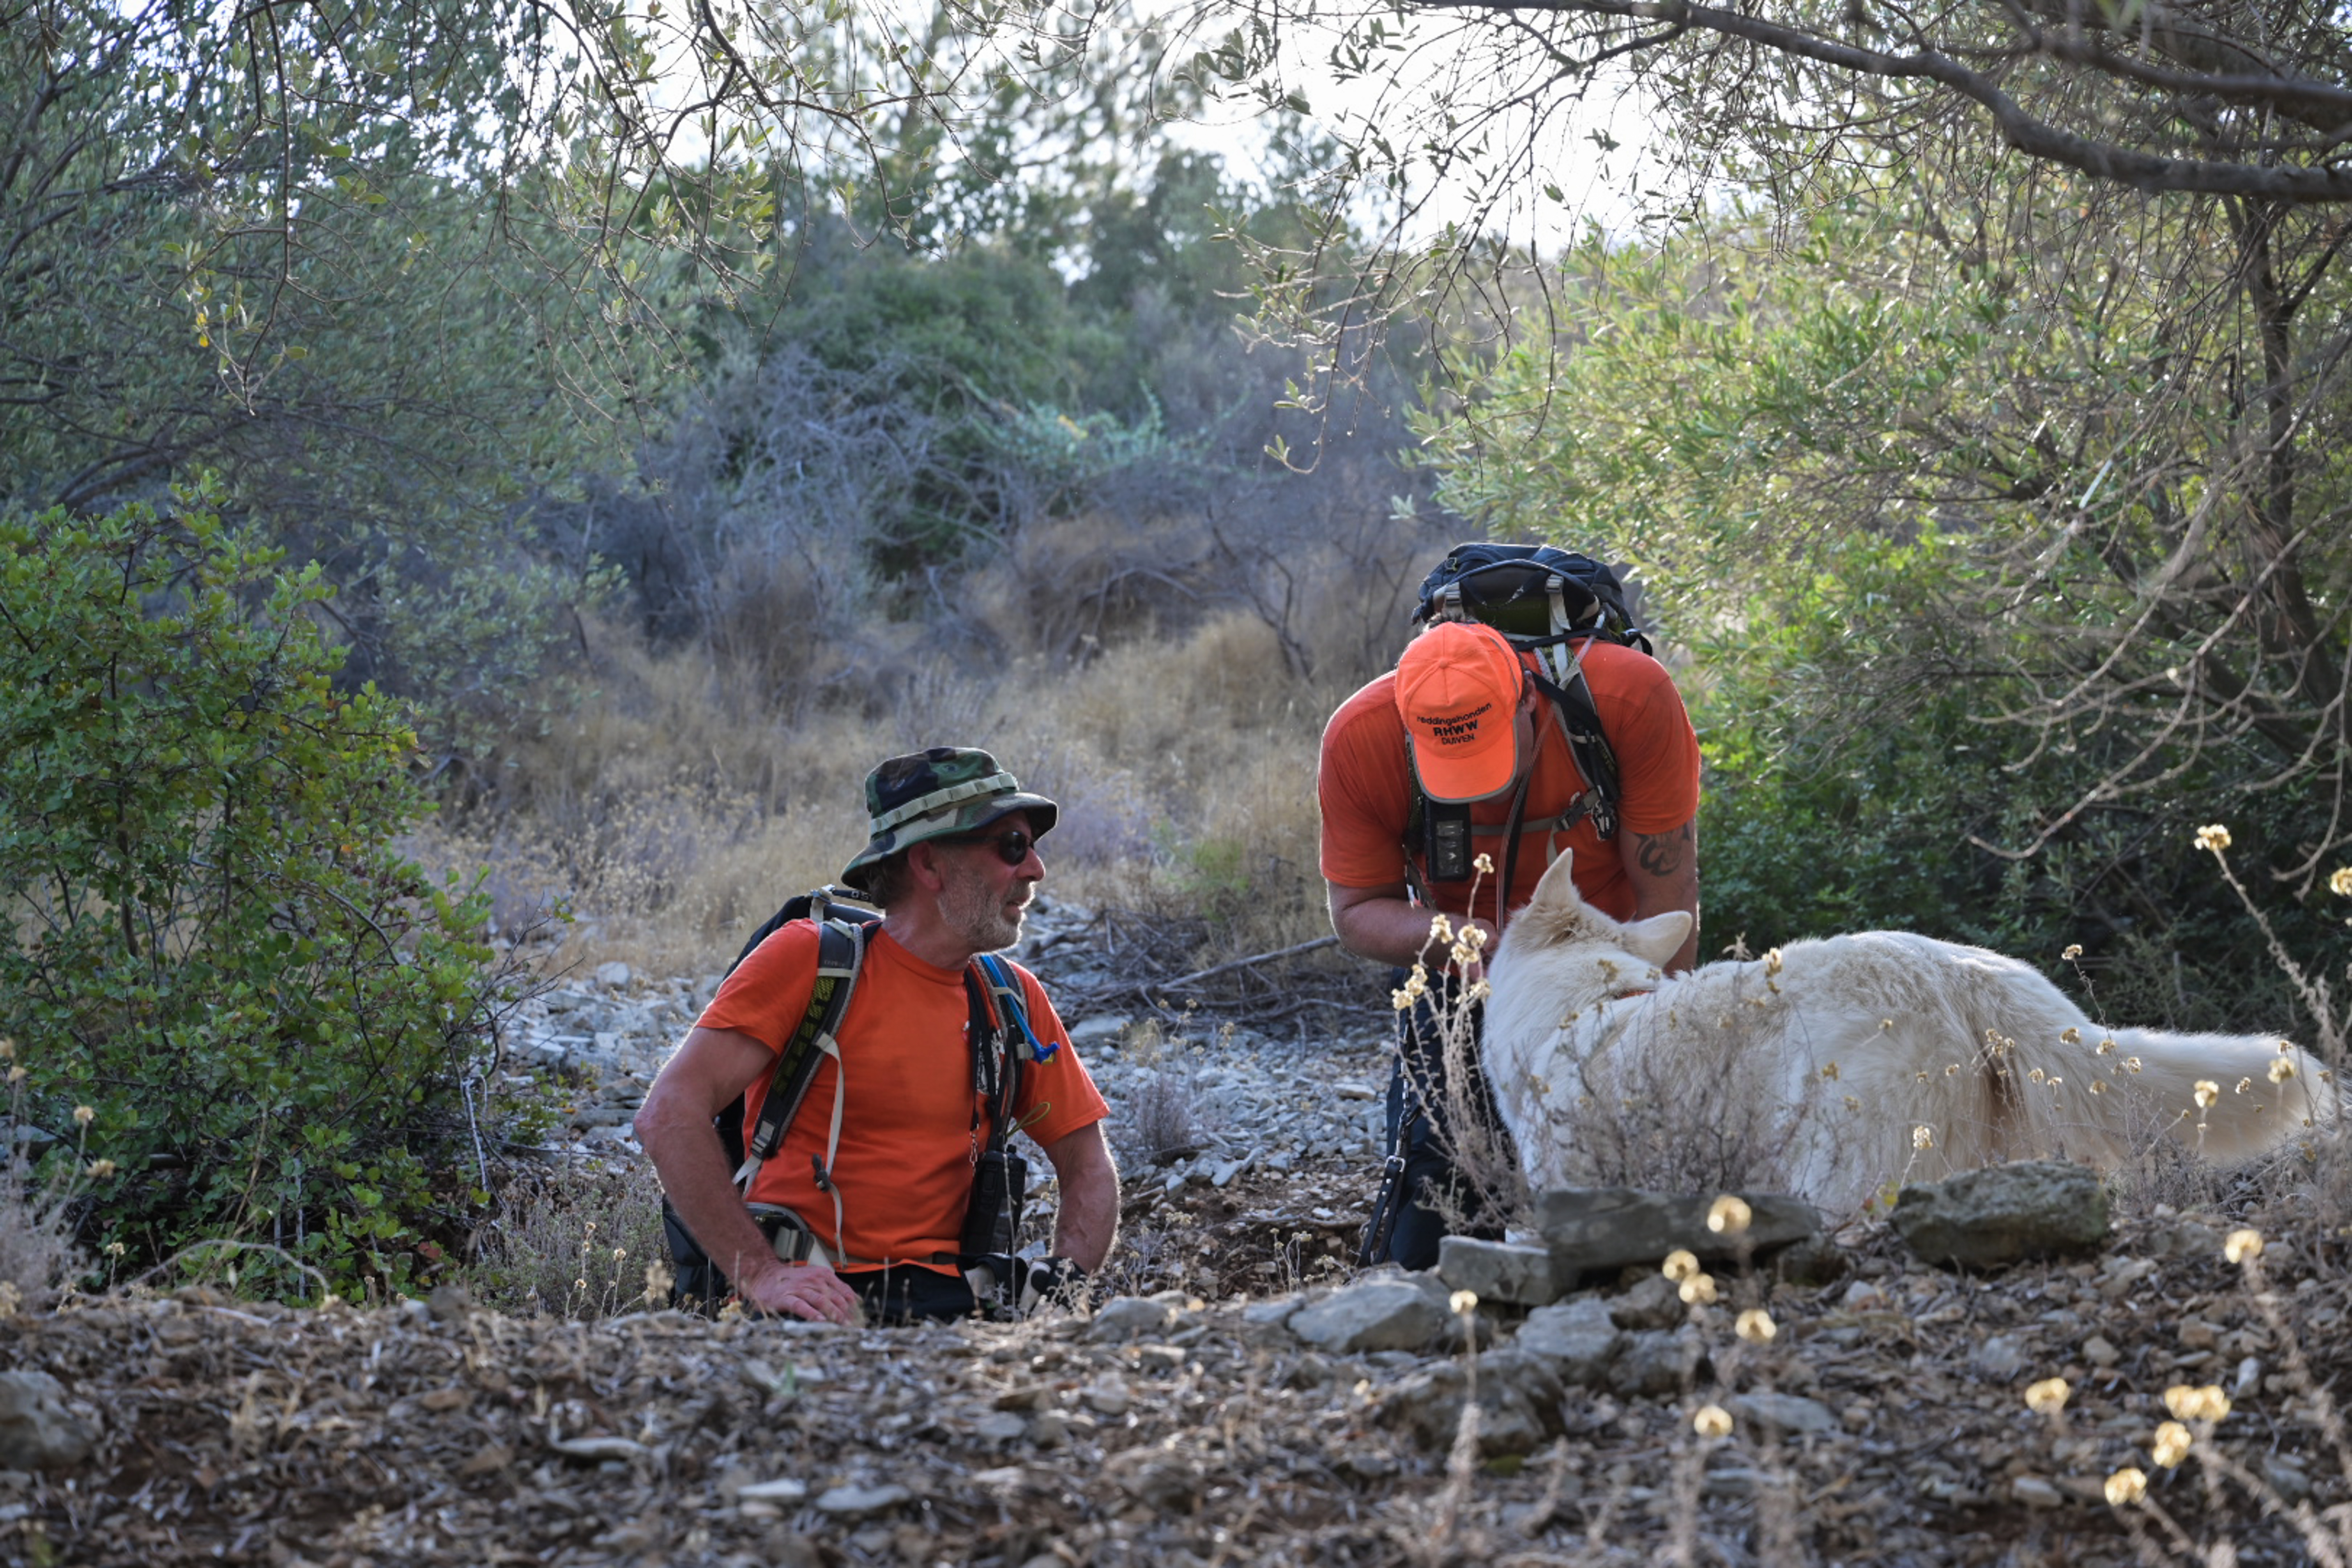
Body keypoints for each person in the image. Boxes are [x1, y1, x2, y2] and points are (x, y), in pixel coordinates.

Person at [636, 747, 1119, 1324]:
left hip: (953, 1306)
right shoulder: (809, 961)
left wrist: (1060, 1300)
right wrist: (761, 1273)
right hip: (818, 1303)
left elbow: (1086, 1162)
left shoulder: (1011, 998)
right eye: (1011, 846)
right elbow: (668, 1113)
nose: (1035, 869)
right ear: (929, 864)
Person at [1319, 603, 1702, 1269]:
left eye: (1488, 758)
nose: (1474, 791)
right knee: (1436, 1189)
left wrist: (1663, 1034)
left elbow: (1666, 896)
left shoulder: (1626, 696)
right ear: (1410, 730)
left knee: (1631, 1160)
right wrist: (1468, 941)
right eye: (1450, 767)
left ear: (1529, 699)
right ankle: (1437, 1341)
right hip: (1455, 959)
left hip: (1605, 964)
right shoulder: (1362, 734)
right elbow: (1355, 910)